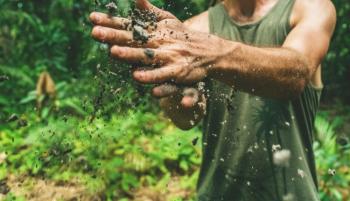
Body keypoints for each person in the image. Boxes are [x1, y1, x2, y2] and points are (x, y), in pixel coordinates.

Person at [90, 0, 336, 200]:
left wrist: (212, 54)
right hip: (216, 193)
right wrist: (181, 97)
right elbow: (185, 119)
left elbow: (295, 73)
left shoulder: (310, 7)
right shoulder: (194, 30)